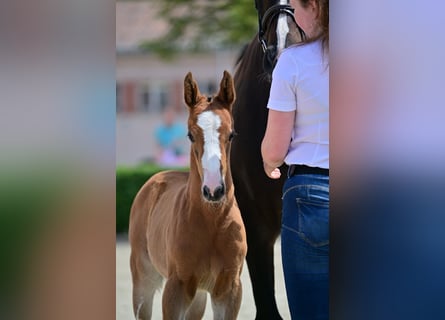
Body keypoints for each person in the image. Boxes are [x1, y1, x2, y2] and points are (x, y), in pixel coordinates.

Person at [261, 0, 329, 318]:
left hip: (310, 197)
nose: (290, 13)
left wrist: (268, 162)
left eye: (294, 5)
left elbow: (274, 150)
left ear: (313, 6)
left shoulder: (292, 62)